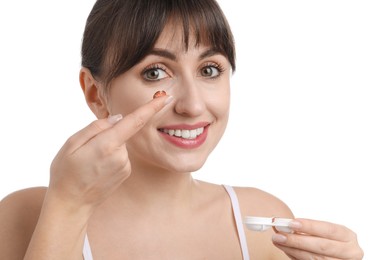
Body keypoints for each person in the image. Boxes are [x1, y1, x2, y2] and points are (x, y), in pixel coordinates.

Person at [0, 0, 364, 259]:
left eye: (209, 70)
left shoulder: (262, 223)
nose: (192, 105)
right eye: (155, 72)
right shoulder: (25, 216)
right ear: (96, 93)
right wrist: (67, 206)